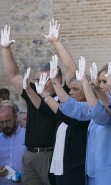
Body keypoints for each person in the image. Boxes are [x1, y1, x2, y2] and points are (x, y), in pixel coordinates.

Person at [1, 24, 71, 184]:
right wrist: (6, 49)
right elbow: (13, 75)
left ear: (56, 80)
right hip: (30, 154)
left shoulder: (63, 96)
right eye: (37, 79)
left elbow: (71, 69)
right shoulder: (32, 90)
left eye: (44, 79)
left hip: (50, 155)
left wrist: (56, 42)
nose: (39, 83)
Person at [59, 57, 111, 185]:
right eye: (100, 81)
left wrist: (86, 85)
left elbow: (100, 116)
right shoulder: (99, 104)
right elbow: (75, 108)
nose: (102, 85)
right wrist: (55, 83)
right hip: (93, 173)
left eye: (105, 81)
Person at [0, 100, 26, 185]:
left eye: (7, 121)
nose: (4, 126)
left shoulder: (28, 136)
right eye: (1, 122)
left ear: (16, 117)